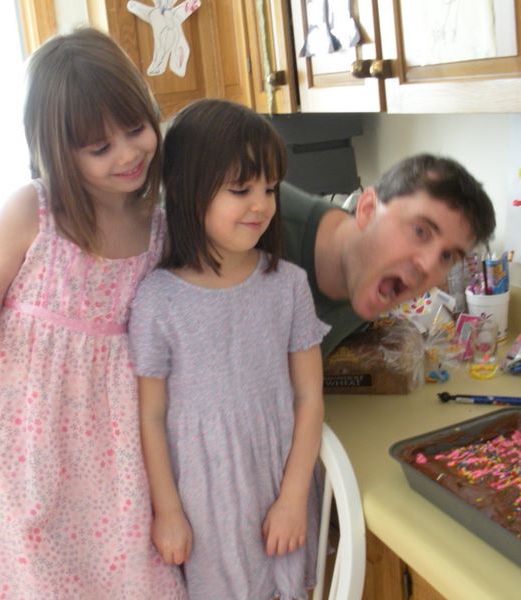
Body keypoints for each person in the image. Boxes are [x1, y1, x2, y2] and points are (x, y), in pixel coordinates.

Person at [0, 154, 495, 464]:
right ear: (366, 209)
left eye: (448, 255)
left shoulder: (369, 285)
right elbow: (68, 281)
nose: (428, 265)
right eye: (420, 231)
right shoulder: (251, 224)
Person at [0, 28, 186, 599]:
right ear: (58, 151)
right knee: (45, 578)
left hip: (118, 439)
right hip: (29, 439)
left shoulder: (161, 226)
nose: (128, 154)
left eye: (135, 129)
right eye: (98, 148)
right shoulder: (31, 211)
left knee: (134, 575)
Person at [129, 98, 327, 599]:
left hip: (280, 487)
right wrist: (168, 511)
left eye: (269, 188)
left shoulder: (290, 286)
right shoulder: (156, 299)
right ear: (189, 191)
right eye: (241, 190)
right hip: (204, 504)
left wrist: (293, 497)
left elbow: (309, 398)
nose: (261, 204)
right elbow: (151, 416)